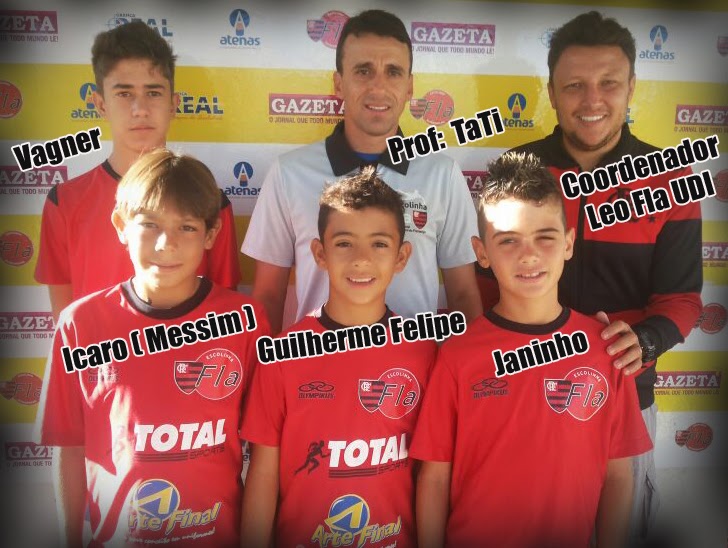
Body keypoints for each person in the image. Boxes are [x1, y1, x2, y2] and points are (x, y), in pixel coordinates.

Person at [487, 11, 702, 545]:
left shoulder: (671, 178)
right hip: (520, 395)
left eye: (609, 83)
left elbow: (682, 299)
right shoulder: (516, 170)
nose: (592, 100)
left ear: (632, 87)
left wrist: (645, 341)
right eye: (574, 85)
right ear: (551, 93)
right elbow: (486, 284)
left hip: (623, 400)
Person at [411, 152, 652, 548]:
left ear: (568, 243)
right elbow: (434, 477)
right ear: (481, 252)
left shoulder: (604, 349)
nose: (529, 255)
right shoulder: (458, 356)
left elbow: (618, 474)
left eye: (545, 236)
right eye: (508, 240)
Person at [34, 150, 267, 547]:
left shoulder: (245, 321)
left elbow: (264, 450)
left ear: (211, 234)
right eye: (149, 224)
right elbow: (68, 447)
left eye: (187, 227)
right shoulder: (80, 324)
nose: (166, 244)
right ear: (121, 225)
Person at [242, 9, 481, 333]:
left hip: (412, 364)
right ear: (339, 83)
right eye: (363, 71)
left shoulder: (443, 174)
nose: (378, 88)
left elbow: (463, 294)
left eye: (393, 72)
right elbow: (268, 296)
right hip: (315, 363)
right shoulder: (289, 173)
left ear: (409, 87)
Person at [241, 167, 438, 547]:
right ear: (320, 253)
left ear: (401, 257)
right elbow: (263, 474)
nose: (361, 260)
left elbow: (432, 476)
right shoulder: (282, 356)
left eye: (379, 244)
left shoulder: (423, 353)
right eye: (345, 243)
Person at [35, 21, 240, 321]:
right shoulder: (64, 202)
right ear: (100, 104)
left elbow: (225, 315)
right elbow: (65, 326)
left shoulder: (210, 201)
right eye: (124, 93)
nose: (140, 109)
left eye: (153, 93)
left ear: (173, 104)